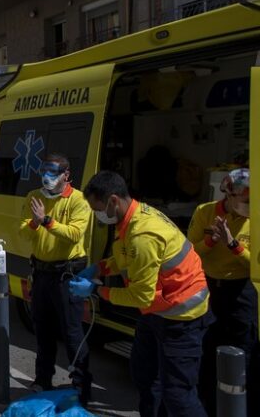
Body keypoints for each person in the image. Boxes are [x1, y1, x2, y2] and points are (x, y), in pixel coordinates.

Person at [71, 171, 211, 417]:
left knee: (178, 394)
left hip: (181, 317)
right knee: (145, 376)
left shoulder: (143, 235)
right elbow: (127, 257)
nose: (97, 215)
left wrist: (95, 289)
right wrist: (101, 267)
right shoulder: (132, 216)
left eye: (97, 208)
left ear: (113, 200)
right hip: (156, 311)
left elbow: (139, 296)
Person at [18, 154, 93, 404]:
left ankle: (81, 385)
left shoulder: (78, 200)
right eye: (45, 173)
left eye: (53, 174)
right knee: (43, 329)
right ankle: (42, 379)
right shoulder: (33, 197)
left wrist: (46, 221)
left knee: (72, 331)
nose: (47, 178)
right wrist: (33, 224)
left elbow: (73, 234)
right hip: (41, 272)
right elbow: (22, 232)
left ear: (66, 175)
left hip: (67, 272)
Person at [188, 168, 258, 415]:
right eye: (246, 201)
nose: (251, 206)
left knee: (244, 353)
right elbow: (190, 252)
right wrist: (210, 242)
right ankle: (207, 406)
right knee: (207, 350)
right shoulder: (205, 212)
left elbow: (256, 264)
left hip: (241, 291)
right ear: (229, 194)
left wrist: (233, 244)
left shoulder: (256, 218)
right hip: (209, 288)